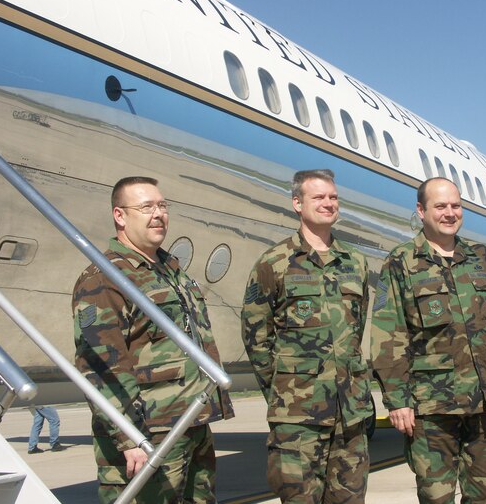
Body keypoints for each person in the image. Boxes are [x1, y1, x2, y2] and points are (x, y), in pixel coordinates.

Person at [72, 176, 234, 504]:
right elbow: (100, 366)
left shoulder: (170, 270)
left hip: (191, 422)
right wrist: (128, 436)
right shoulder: (105, 278)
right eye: (146, 207)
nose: (158, 214)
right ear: (120, 215)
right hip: (150, 433)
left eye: (162, 206)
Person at [370, 177, 486, 504]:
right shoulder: (401, 262)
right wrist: (396, 399)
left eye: (456, 206)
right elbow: (389, 334)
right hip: (432, 409)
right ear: (421, 210)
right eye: (441, 206)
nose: (450, 213)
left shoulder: (480, 257)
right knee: (435, 497)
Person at [241, 169, 373, 504]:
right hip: (298, 417)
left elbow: (356, 328)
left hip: (350, 414)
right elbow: (256, 335)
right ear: (297, 203)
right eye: (319, 197)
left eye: (333, 197)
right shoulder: (274, 262)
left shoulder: (355, 262)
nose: (328, 204)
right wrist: (284, 388)